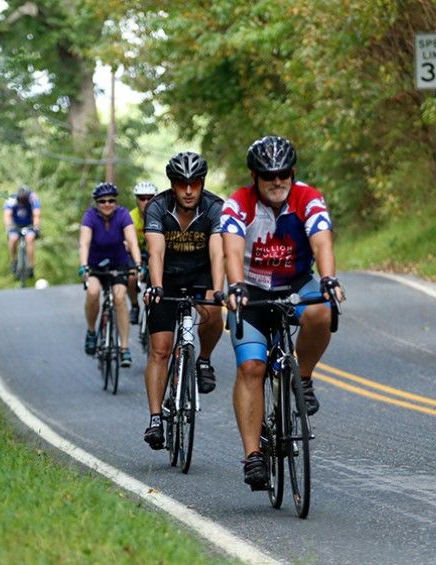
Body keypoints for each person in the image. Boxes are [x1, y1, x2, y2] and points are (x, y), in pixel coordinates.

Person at [220, 135, 345, 489]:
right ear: (254, 176)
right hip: (252, 290)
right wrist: (235, 284)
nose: (277, 181)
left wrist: (329, 278)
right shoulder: (237, 203)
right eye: (268, 175)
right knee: (251, 367)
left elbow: (322, 240)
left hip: (295, 284)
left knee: (321, 311)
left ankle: (301, 377)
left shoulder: (309, 197)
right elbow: (231, 248)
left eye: (284, 174)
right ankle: (253, 456)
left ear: (292, 173)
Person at [141, 151, 225, 450]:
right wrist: (157, 286)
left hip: (201, 276)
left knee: (215, 312)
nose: (188, 190)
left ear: (202, 183)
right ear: (172, 184)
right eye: (181, 184)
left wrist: (217, 289)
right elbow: (157, 252)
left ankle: (203, 361)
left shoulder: (215, 207)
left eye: (194, 183)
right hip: (168, 279)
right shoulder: (157, 207)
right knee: (160, 350)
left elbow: (218, 251)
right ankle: (154, 419)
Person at [78, 182, 142, 368]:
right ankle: (91, 331)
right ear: (96, 203)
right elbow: (84, 243)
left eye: (111, 200)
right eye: (102, 201)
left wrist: (137, 264)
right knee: (93, 292)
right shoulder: (89, 216)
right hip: (95, 266)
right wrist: (83, 266)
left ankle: (124, 348)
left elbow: (132, 242)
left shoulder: (122, 215)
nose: (107, 204)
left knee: (120, 298)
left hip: (118, 264)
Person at [127, 181, 158, 325]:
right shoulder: (131, 217)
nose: (146, 202)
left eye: (149, 198)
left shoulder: (161, 214)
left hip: (155, 253)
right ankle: (134, 306)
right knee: (131, 277)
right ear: (136, 200)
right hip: (136, 254)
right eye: (142, 198)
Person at [3, 185, 41, 278]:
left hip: (29, 225)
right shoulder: (11, 199)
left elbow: (36, 215)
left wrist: (36, 226)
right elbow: (7, 215)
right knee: (13, 239)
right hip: (15, 225)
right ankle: (14, 261)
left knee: (30, 238)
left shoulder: (33, 198)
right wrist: (8, 226)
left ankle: (31, 266)